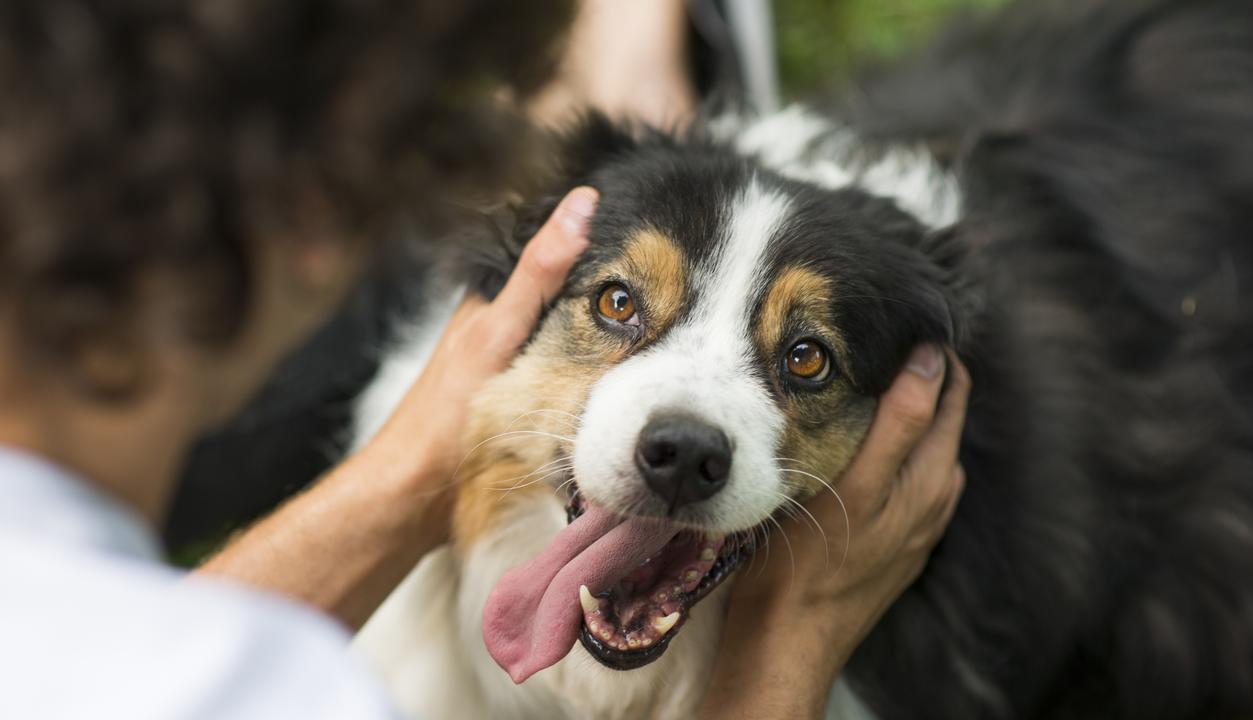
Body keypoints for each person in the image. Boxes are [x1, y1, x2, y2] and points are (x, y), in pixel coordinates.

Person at [0, 1, 968, 718]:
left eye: (802, 360)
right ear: (307, 221)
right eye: (619, 304)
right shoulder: (277, 692)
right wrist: (783, 656)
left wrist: (405, 479)